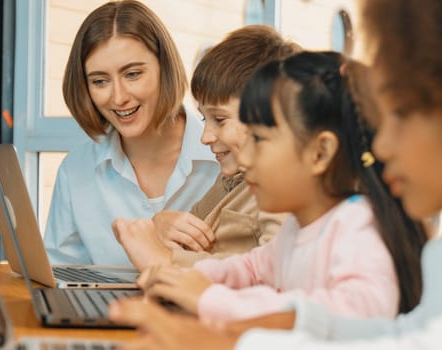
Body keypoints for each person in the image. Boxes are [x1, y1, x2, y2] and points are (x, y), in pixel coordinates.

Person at [109, 0, 442, 348]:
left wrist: (215, 306)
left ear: (320, 152)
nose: (383, 146)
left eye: (259, 139)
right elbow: (251, 269)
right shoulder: (298, 229)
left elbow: (355, 320)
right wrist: (186, 280)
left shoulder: (355, 226)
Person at [43, 0, 220, 265]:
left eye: (133, 74)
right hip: (102, 309)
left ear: (164, 68)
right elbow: (59, 277)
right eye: (100, 81)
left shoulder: (224, 156)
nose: (119, 97)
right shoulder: (75, 170)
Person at [111, 25, 299, 271]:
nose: (205, 137)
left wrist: (168, 261)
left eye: (220, 120)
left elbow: (270, 270)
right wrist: (158, 228)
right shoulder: (230, 180)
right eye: (204, 119)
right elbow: (187, 239)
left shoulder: (285, 184)